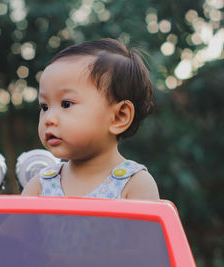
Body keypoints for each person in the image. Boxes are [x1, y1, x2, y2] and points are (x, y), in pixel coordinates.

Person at [22, 38, 159, 200]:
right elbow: (15, 226)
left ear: (119, 117)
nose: (49, 119)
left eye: (66, 104)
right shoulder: (40, 184)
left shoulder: (134, 184)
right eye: (44, 106)